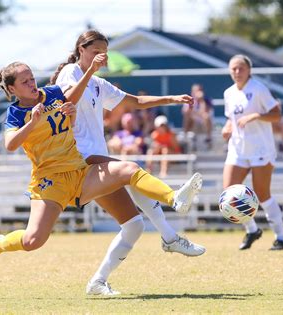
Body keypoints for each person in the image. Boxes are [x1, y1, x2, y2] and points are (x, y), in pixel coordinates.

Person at [0, 62, 204, 296]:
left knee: (129, 169)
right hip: (50, 181)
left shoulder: (52, 93)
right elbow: (11, 145)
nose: (32, 83)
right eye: (25, 82)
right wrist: (32, 123)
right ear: (12, 90)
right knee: (33, 241)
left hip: (80, 171)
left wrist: (71, 116)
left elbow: (65, 124)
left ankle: (174, 198)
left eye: (32, 78)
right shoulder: (16, 113)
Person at [50, 30, 205, 295]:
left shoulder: (99, 85)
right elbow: (67, 100)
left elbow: (135, 101)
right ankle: (173, 203)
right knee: (131, 170)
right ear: (82, 49)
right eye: (97, 50)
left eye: (105, 51)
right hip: (78, 159)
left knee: (134, 226)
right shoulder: (70, 73)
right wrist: (90, 72)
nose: (103, 55)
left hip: (95, 159)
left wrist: (172, 98)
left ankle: (98, 282)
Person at [221, 55, 283, 251]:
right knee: (229, 193)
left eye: (241, 68)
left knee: (262, 194)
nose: (237, 72)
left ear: (249, 70)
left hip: (260, 149)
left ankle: (281, 238)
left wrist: (256, 116)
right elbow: (231, 119)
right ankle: (252, 229)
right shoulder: (229, 93)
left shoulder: (258, 89)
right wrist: (227, 128)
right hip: (238, 149)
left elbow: (276, 114)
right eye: (233, 68)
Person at [182, 83, 214, 150]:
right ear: (192, 92)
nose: (198, 92)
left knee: (206, 116)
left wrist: (201, 101)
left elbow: (205, 112)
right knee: (187, 116)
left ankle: (208, 138)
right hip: (193, 124)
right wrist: (195, 111)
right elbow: (186, 112)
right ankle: (185, 136)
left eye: (199, 90)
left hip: (203, 125)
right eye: (196, 91)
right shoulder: (188, 100)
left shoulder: (207, 100)